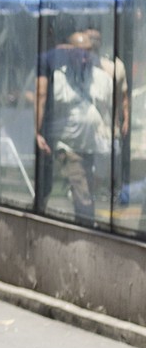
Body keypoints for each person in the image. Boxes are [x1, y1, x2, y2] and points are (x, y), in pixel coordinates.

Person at [34, 23, 126, 224]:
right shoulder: (58, 75)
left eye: (88, 51)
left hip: (93, 146)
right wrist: (38, 132)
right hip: (68, 146)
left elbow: (112, 104)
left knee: (89, 191)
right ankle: (86, 233)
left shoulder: (99, 76)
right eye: (79, 51)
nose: (84, 56)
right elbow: (41, 99)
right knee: (82, 193)